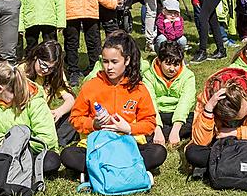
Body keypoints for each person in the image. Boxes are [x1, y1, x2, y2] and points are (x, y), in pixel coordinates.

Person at [60, 32, 167, 176]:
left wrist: (128, 128)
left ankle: (99, 170)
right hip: (97, 145)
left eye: (114, 62)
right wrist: (94, 124)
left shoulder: (138, 88)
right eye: (105, 61)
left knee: (158, 152)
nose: (109, 67)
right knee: (68, 155)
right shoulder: (90, 86)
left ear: (127, 60)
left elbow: (149, 123)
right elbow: (75, 118)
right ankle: (127, 168)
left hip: (129, 144)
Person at [185, 67, 247, 179]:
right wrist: (208, 110)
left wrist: (235, 132)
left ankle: (216, 166)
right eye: (240, 115)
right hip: (220, 146)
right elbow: (200, 142)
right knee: (193, 153)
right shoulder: (207, 98)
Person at [20, 40, 78, 147]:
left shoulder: (55, 74)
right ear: (36, 57)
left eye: (51, 68)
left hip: (45, 117)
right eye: (43, 65)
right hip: (26, 117)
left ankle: (55, 138)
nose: (45, 70)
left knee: (76, 111)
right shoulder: (22, 71)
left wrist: (58, 112)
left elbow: (71, 99)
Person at [144, 40, 195, 146]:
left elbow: (185, 103)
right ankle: (161, 132)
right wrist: (157, 129)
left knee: (198, 119)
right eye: (168, 64)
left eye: (176, 64)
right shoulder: (148, 76)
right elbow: (149, 103)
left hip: (178, 115)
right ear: (159, 61)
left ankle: (165, 133)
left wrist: (176, 129)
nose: (172, 69)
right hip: (156, 114)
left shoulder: (188, 76)